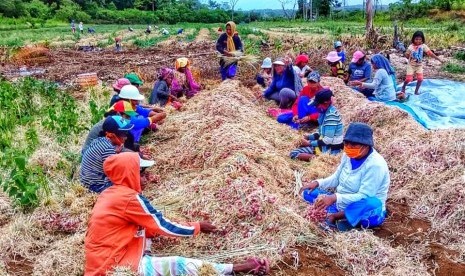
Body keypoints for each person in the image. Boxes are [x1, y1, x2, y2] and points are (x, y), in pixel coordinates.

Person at [84, 152, 270, 276]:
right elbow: (163, 225)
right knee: (177, 264)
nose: (146, 178)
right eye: (142, 173)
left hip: (102, 261)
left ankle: (145, 255)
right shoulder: (128, 198)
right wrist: (197, 227)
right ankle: (235, 268)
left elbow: (147, 224)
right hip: (112, 268)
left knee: (148, 233)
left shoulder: (110, 193)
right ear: (129, 173)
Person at [299, 122, 390, 231]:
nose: (348, 148)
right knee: (308, 193)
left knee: (371, 202)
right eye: (346, 144)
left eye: (353, 145)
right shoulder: (348, 155)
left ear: (366, 146)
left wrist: (335, 197)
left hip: (364, 210)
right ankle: (339, 214)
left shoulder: (376, 165)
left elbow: (365, 195)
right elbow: (336, 178)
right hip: (343, 202)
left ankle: (336, 216)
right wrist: (318, 183)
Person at [80, 115, 133, 193]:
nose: (126, 137)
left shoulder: (99, 140)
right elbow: (116, 174)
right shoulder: (108, 149)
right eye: (123, 134)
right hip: (95, 187)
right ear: (110, 134)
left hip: (86, 182)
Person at [290, 89, 344, 161]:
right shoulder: (325, 113)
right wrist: (309, 137)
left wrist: (309, 143)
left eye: (317, 105)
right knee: (300, 144)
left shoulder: (331, 116)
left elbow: (327, 140)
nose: (315, 107)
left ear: (326, 103)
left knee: (294, 153)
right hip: (326, 146)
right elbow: (321, 133)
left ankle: (320, 159)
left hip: (329, 150)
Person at [399, 31, 443, 96]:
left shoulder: (423, 46)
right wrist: (405, 53)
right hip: (411, 65)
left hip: (419, 66)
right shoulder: (411, 47)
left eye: (420, 39)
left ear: (422, 39)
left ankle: (416, 91)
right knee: (409, 79)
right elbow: (407, 55)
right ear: (413, 39)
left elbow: (430, 53)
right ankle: (403, 87)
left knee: (420, 79)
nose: (418, 41)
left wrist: (439, 59)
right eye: (416, 39)